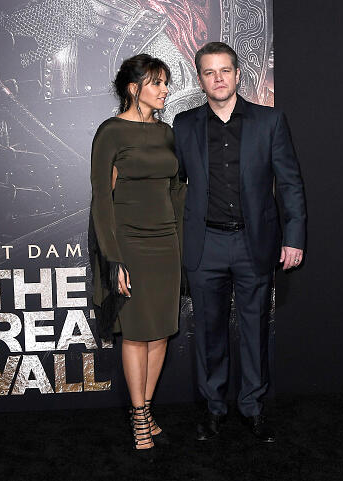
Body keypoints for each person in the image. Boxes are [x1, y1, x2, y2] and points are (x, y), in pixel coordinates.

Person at [173, 42, 306, 443]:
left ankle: (252, 408)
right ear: (199, 80)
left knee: (254, 331)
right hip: (205, 243)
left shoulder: (270, 121)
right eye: (210, 72)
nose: (218, 78)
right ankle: (213, 410)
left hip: (255, 243)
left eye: (225, 71)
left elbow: (290, 183)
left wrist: (294, 236)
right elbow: (173, 184)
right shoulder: (183, 125)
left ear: (237, 74)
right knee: (209, 333)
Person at [89, 54, 184, 454]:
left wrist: (181, 241)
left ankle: (146, 407)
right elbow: (101, 200)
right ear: (134, 88)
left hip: (166, 245)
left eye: (165, 83)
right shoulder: (110, 132)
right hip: (128, 244)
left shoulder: (166, 133)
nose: (165, 90)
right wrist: (113, 260)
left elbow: (177, 188)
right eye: (157, 83)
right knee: (135, 333)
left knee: (161, 331)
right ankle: (139, 413)